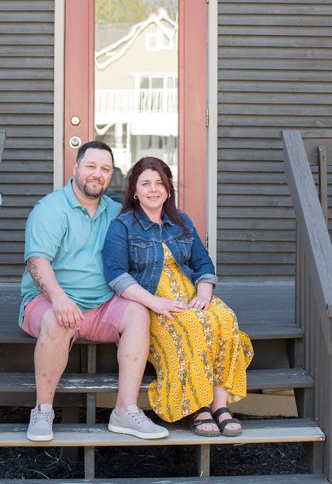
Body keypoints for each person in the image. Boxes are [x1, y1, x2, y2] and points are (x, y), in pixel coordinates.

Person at [18, 141, 168, 442]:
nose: (97, 174)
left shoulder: (117, 212)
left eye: (105, 169)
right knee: (56, 320)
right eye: (91, 166)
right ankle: (43, 409)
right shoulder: (51, 208)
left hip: (101, 304)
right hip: (49, 301)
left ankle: (125, 411)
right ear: (75, 168)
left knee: (138, 313)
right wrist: (59, 299)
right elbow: (37, 262)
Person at [102, 157, 253, 437]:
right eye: (145, 183)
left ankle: (220, 406)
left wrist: (205, 291)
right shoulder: (123, 226)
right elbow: (116, 275)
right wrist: (155, 302)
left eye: (159, 183)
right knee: (191, 328)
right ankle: (199, 407)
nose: (153, 189)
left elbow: (203, 264)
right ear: (134, 189)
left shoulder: (181, 221)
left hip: (189, 294)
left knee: (224, 320)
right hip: (150, 301)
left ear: (168, 189)